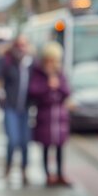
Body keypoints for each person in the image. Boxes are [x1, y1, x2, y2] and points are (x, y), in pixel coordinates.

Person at [27, 42, 71, 186]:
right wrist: (47, 86)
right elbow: (33, 91)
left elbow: (67, 91)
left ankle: (60, 173)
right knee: (46, 147)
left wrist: (58, 86)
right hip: (45, 116)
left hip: (59, 117)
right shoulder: (38, 73)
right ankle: (48, 174)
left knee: (59, 147)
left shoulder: (60, 74)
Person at [0, 35, 33, 185]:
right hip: (11, 107)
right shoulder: (7, 61)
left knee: (25, 142)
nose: (21, 48)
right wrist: (1, 93)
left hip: (25, 109)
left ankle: (24, 170)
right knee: (13, 140)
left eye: (23, 45)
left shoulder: (31, 64)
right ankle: (8, 166)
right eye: (18, 45)